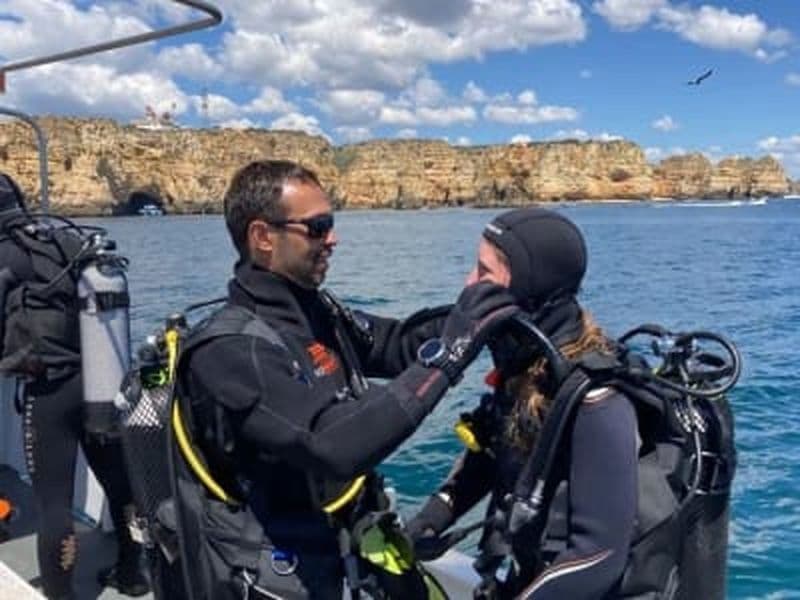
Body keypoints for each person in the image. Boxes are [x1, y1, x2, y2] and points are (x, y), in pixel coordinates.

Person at [173, 159, 518, 599]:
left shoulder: (315, 311)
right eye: (317, 227)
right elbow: (333, 445)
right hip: (279, 565)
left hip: (344, 538)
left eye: (330, 223)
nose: (333, 238)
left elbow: (395, 344)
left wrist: (479, 312)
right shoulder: (229, 351)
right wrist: (447, 359)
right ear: (262, 237)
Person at [408, 208, 639, 599]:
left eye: (483, 272)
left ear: (529, 288)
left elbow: (599, 556)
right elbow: (494, 456)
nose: (469, 283)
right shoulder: (527, 368)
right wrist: (431, 517)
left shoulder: (597, 400)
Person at [0, 172, 149, 600]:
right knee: (118, 484)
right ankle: (133, 573)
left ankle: (61, 595)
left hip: (50, 392)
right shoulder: (63, 240)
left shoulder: (5, 253)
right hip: (102, 383)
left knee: (52, 505)